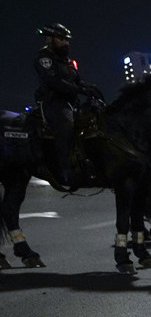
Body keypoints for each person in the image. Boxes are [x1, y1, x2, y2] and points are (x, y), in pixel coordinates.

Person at [33, 23, 101, 193]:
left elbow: (77, 81)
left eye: (67, 40)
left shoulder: (68, 62)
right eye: (61, 39)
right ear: (50, 39)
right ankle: (64, 170)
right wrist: (79, 89)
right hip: (54, 103)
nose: (66, 43)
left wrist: (91, 88)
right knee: (66, 125)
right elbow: (54, 82)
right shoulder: (44, 58)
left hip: (72, 103)